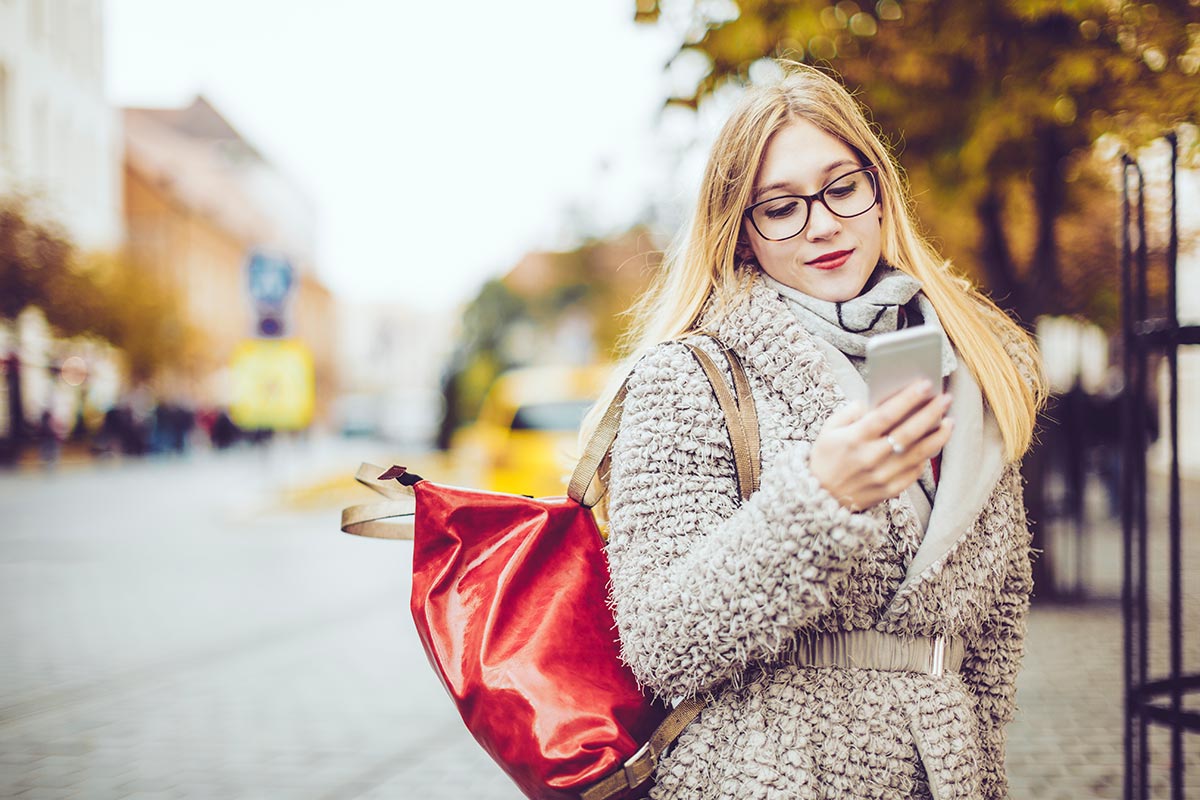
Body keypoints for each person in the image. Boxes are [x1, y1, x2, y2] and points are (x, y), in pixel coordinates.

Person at [581, 61, 1047, 800]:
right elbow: (662, 643)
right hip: (769, 775)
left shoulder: (973, 363)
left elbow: (992, 635)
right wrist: (819, 502)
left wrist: (980, 768)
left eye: (841, 187)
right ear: (742, 235)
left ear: (877, 189)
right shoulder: (691, 376)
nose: (823, 223)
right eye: (781, 206)